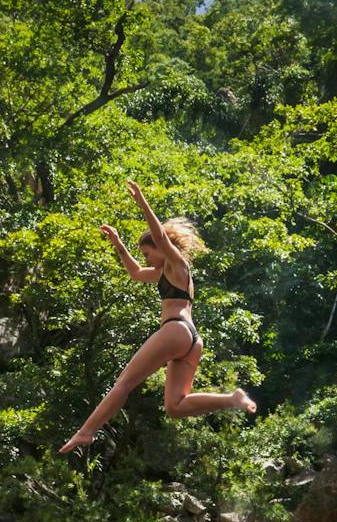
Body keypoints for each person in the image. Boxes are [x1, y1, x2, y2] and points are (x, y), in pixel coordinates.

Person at [59, 179, 257, 454]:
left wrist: (142, 203)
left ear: (161, 248)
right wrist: (118, 245)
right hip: (190, 340)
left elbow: (161, 238)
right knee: (175, 407)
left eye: (148, 252)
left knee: (125, 382)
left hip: (175, 330)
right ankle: (231, 399)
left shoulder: (177, 266)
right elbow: (136, 273)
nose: (147, 259)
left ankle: (85, 432)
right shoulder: (163, 272)